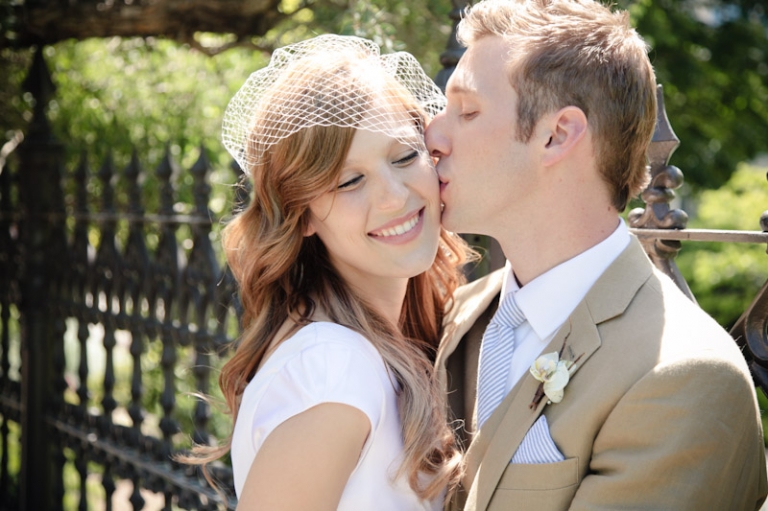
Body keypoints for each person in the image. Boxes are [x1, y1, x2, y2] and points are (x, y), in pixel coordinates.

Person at [424, 0, 768, 510]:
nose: (431, 136)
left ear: (558, 134)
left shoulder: (685, 378)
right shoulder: (458, 313)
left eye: (467, 111)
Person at [183, 35, 473, 509]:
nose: (395, 196)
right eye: (350, 181)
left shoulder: (388, 345)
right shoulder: (334, 370)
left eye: (403, 156)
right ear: (302, 215)